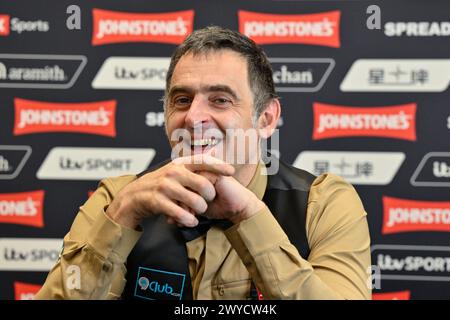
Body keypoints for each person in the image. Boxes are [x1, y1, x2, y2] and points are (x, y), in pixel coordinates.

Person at [35, 26, 371, 300]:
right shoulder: (116, 199)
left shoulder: (323, 203)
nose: (194, 117)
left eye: (220, 100)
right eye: (182, 100)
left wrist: (248, 216)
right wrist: (122, 217)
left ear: (266, 119)